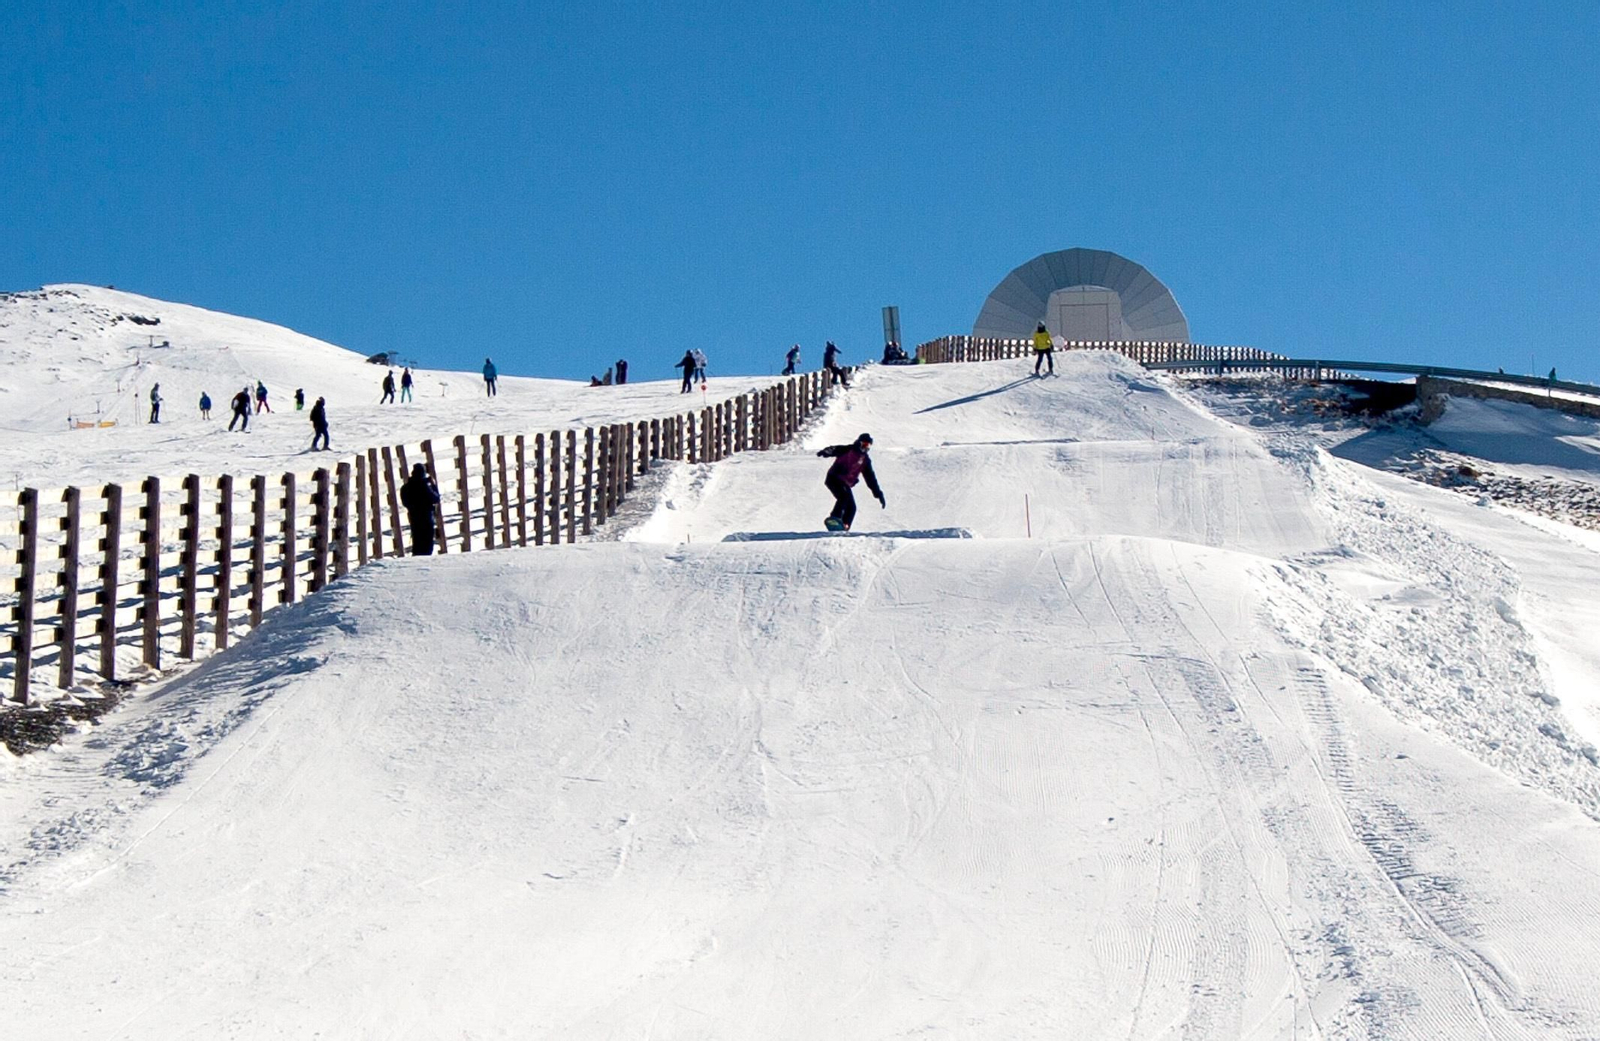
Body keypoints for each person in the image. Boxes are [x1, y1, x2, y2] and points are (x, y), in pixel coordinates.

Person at [817, 432, 884, 532]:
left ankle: (844, 526)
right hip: (834, 478)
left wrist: (878, 493)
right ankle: (834, 518)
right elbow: (835, 449)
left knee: (852, 507)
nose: (865, 448)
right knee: (843, 497)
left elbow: (870, 478)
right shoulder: (849, 449)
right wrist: (826, 452)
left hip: (845, 483)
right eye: (864, 444)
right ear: (859, 443)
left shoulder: (865, 460)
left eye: (868, 445)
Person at [399, 463, 441, 556]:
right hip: (426, 518)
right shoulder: (425, 487)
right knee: (427, 544)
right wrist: (433, 485)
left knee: (417, 542)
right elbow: (436, 498)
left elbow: (405, 502)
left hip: (414, 517)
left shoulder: (406, 487)